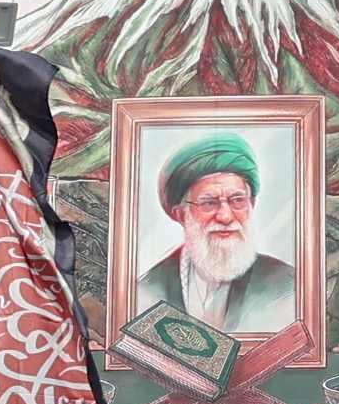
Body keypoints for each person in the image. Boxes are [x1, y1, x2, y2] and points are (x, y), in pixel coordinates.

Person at [131, 134, 306, 340]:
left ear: (251, 204)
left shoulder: (286, 286)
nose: (225, 216)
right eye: (209, 203)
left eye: (237, 200)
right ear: (181, 214)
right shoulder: (147, 291)